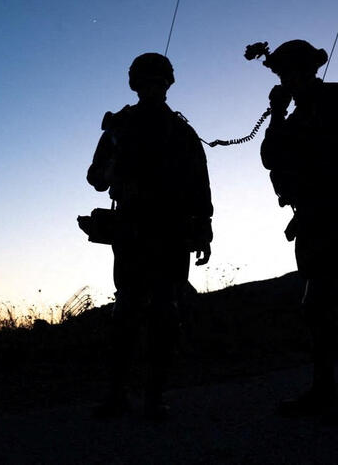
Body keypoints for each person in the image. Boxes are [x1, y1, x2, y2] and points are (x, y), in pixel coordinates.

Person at [86, 52, 213, 418]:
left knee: (162, 311)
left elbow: (199, 184)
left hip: (168, 228)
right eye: (148, 82)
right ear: (137, 84)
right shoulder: (122, 127)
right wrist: (114, 172)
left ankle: (150, 397)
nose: (154, 88)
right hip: (136, 227)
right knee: (129, 309)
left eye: (158, 82)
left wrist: (203, 227)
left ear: (167, 84)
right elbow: (96, 177)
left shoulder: (179, 131)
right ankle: (122, 395)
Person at [259, 39, 338, 423]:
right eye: (281, 74)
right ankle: (325, 390)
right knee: (318, 307)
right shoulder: (297, 112)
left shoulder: (335, 101)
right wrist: (277, 113)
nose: (285, 79)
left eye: (289, 72)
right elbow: (270, 157)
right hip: (313, 219)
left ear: (307, 69)